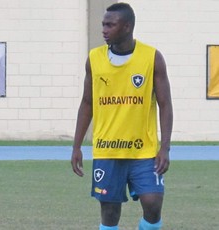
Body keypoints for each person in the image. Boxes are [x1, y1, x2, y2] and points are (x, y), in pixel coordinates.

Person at [71, 2, 173, 230]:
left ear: (127, 27)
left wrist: (165, 147)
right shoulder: (94, 59)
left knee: (153, 204)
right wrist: (76, 146)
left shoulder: (152, 58)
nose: (104, 30)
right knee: (109, 211)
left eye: (110, 25)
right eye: (103, 24)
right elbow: (87, 103)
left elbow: (165, 104)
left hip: (144, 151)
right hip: (108, 150)